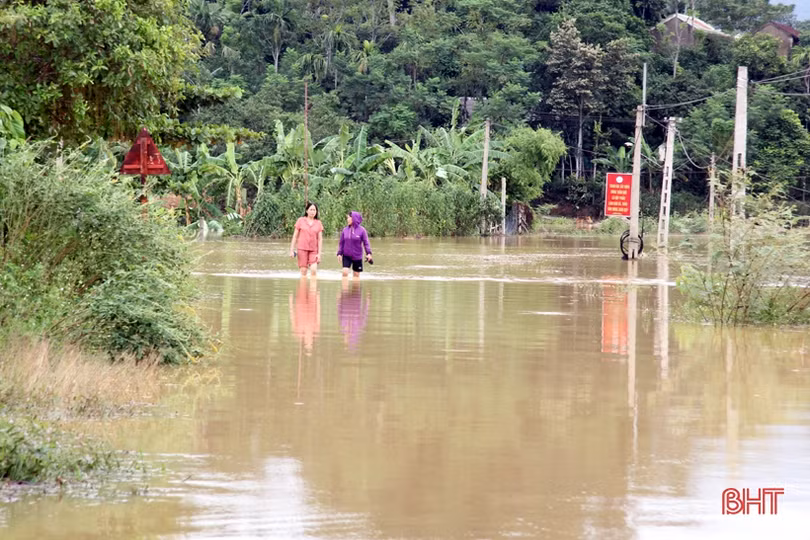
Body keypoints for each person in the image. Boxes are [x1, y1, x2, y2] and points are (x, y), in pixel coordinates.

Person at [289, 202, 323, 278]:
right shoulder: (300, 221)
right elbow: (295, 236)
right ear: (307, 211)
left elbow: (320, 239)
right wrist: (291, 250)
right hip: (302, 249)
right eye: (311, 209)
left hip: (314, 250)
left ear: (316, 212)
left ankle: (313, 289)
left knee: (313, 270)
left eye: (314, 210)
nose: (312, 212)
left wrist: (319, 254)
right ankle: (303, 289)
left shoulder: (318, 223)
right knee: (303, 272)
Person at [337, 211, 372, 279]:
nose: (347, 219)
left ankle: (355, 289)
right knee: (345, 272)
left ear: (354, 218)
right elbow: (341, 243)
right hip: (346, 255)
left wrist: (369, 253)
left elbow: (366, 243)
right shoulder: (345, 230)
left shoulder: (362, 230)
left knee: (356, 276)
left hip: (357, 256)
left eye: (348, 218)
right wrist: (339, 253)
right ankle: (344, 289)